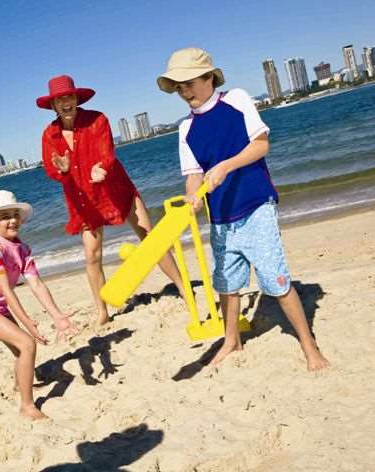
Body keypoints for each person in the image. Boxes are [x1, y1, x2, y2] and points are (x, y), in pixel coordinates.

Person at [157, 47, 330, 371]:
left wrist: (226, 165)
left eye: (188, 82)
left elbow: (261, 144)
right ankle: (231, 340)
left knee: (276, 281)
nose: (184, 91)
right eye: (178, 86)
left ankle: (309, 345)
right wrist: (193, 198)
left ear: (209, 77)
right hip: (220, 217)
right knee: (226, 283)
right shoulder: (185, 129)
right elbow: (194, 175)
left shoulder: (235, 99)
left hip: (255, 207)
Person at [37, 75, 186, 325]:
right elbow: (52, 170)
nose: (66, 102)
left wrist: (100, 168)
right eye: (59, 99)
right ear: (52, 105)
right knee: (92, 256)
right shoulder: (49, 135)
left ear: (76, 98)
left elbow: (107, 153)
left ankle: (182, 286)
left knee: (150, 238)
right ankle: (102, 312)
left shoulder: (97, 120)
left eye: (69, 96)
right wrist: (62, 169)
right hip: (83, 200)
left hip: (115, 188)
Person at [0, 190, 78, 420]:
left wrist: (57, 316)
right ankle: (27, 407)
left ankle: (20, 386)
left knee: (20, 349)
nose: (13, 220)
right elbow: (6, 290)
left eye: (15, 214)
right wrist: (27, 323)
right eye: (5, 216)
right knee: (27, 344)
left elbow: (36, 284)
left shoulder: (22, 248)